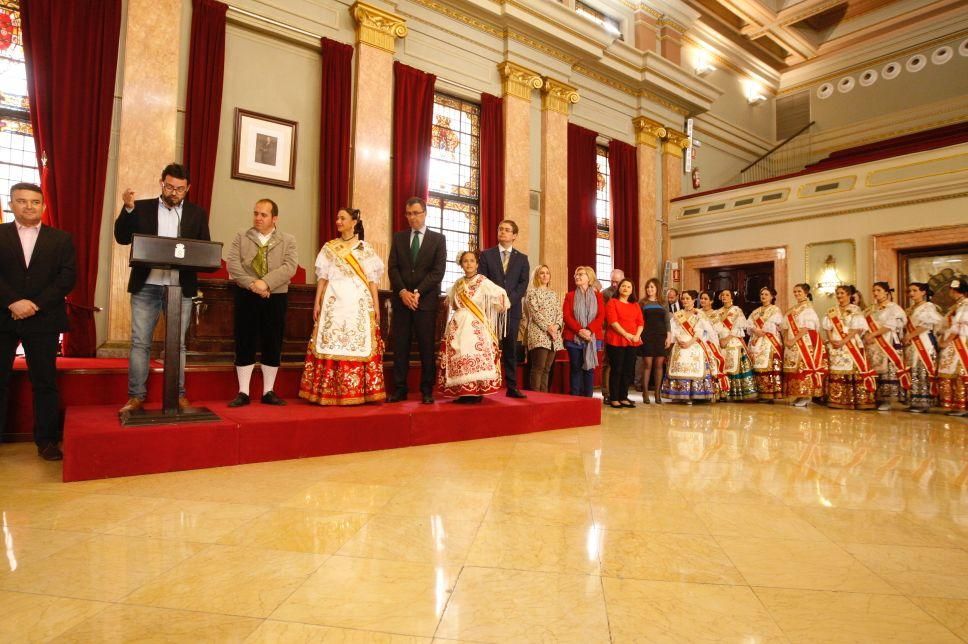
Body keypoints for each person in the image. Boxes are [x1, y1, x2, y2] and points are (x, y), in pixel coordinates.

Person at [115, 163, 211, 414]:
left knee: (177, 344)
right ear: (161, 183)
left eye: (179, 189)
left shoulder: (196, 214)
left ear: (187, 188)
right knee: (140, 343)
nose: (173, 192)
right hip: (147, 285)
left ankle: (177, 395)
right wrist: (127, 209)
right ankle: (136, 396)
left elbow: (204, 249)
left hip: (180, 287)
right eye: (169, 186)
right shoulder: (143, 207)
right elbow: (122, 237)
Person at [0, 183, 76, 460]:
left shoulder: (61, 239)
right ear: (11, 203)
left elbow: (66, 278)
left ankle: (46, 441)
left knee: (44, 382)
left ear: (43, 206)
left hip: (43, 318)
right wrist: (12, 301)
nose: (29, 206)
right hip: (3, 316)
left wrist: (35, 304)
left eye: (35, 202)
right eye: (22, 201)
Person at [301, 208, 386, 405]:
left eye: (342, 218)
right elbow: (322, 278)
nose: (338, 221)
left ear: (354, 221)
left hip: (359, 302)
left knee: (359, 342)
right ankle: (328, 391)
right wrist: (317, 302)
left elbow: (372, 281)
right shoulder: (329, 247)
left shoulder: (366, 249)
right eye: (337, 217)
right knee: (331, 340)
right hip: (334, 300)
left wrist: (376, 306)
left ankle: (358, 392)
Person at [225, 199, 298, 407]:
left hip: (276, 296)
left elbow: (290, 267)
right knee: (244, 341)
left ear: (274, 218)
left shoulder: (288, 240)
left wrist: (266, 283)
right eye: (256, 213)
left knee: (272, 341)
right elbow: (233, 265)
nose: (258, 218)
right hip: (246, 295)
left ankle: (268, 391)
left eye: (263, 215)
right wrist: (253, 285)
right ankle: (243, 392)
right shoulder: (241, 236)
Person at [387, 197, 447, 404]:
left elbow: (438, 272)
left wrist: (418, 292)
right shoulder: (399, 238)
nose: (412, 217)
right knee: (400, 346)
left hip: (426, 302)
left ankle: (427, 390)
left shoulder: (438, 239)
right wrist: (403, 292)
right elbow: (393, 268)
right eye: (408, 214)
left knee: (426, 347)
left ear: (424, 213)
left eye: (416, 213)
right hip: (402, 301)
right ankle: (400, 388)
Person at [438, 250, 510, 403]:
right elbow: (450, 301)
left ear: (477, 264)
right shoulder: (457, 284)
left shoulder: (483, 281)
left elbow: (500, 294)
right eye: (465, 261)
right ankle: (463, 391)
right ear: (461, 264)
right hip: (458, 324)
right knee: (460, 354)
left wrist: (500, 303)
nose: (469, 264)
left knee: (473, 353)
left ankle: (476, 391)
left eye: (472, 261)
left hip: (475, 324)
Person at [478, 219, 530, 398]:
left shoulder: (522, 259)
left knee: (510, 350)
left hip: (512, 310)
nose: (503, 232)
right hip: (491, 310)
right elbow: (482, 280)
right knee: (487, 348)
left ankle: (512, 387)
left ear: (514, 235)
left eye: (507, 230)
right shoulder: (486, 255)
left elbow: (523, 284)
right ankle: (484, 386)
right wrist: (495, 301)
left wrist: (508, 301)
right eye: (500, 229)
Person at [661, 290, 723, 403]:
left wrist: (690, 342)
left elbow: (700, 331)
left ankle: (694, 394)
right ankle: (678, 393)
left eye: (687, 298)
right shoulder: (677, 314)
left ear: (693, 300)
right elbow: (673, 330)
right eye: (683, 298)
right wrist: (678, 339)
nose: (685, 301)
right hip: (680, 343)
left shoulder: (699, 314)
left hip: (694, 343)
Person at [823, 284, 876, 410]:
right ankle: (837, 399)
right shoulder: (831, 310)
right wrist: (831, 340)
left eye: (842, 293)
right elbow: (827, 328)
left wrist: (844, 341)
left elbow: (856, 329)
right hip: (835, 344)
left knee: (851, 371)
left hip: (850, 343)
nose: (839, 296)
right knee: (836, 371)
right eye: (838, 293)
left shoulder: (855, 309)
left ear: (848, 295)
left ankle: (853, 400)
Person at [862, 282, 908, 412]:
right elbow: (862, 323)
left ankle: (887, 399)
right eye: (874, 290)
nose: (876, 293)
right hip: (872, 344)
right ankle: (874, 397)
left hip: (887, 341)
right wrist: (866, 334)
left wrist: (873, 334)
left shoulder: (894, 308)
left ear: (886, 292)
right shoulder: (871, 309)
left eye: (878, 290)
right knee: (874, 369)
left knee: (887, 371)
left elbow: (891, 325)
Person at [780, 284, 826, 407]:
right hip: (790, 342)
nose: (796, 294)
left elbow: (807, 328)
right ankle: (797, 394)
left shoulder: (808, 308)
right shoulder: (792, 309)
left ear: (806, 293)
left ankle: (805, 395)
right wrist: (786, 340)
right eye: (795, 292)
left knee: (802, 369)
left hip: (802, 342)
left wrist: (794, 339)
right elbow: (784, 327)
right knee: (793, 370)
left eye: (799, 291)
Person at [562, 266, 605, 397]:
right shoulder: (570, 296)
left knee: (589, 369)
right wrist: (580, 330)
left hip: (593, 337)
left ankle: (588, 399)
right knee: (576, 368)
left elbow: (601, 315)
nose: (577, 276)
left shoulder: (598, 296)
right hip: (573, 337)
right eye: (576, 274)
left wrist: (589, 330)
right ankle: (575, 399)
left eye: (581, 274)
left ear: (589, 278)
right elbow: (566, 316)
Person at [901, 282, 943, 413]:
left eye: (915, 290)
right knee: (913, 370)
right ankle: (914, 400)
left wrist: (910, 336)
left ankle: (924, 402)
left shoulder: (928, 307)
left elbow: (926, 325)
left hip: (923, 342)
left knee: (922, 369)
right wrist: (906, 337)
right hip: (912, 343)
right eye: (910, 291)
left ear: (923, 292)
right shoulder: (910, 308)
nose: (911, 293)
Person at [604, 278, 643, 408]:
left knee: (628, 370)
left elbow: (640, 322)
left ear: (632, 291)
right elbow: (613, 322)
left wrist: (636, 336)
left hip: (633, 341)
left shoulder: (635, 305)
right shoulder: (612, 302)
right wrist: (627, 335)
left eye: (628, 287)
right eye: (623, 286)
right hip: (616, 340)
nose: (625, 288)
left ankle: (623, 396)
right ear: (619, 288)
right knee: (617, 369)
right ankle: (614, 398)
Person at [524, 264, 563, 392]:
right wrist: (549, 328)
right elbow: (535, 314)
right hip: (539, 334)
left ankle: (545, 396)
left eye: (547, 273)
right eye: (542, 273)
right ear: (536, 276)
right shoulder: (531, 293)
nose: (545, 275)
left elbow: (559, 313)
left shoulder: (553, 294)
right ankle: (536, 397)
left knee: (547, 369)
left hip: (554, 336)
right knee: (538, 368)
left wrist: (556, 327)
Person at [716, 289, 758, 401]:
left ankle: (736, 393)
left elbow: (738, 328)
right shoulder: (717, 312)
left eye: (727, 295)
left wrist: (727, 338)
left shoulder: (736, 310)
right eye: (723, 295)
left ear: (731, 297)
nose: (724, 297)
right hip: (721, 343)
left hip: (733, 341)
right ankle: (724, 392)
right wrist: (721, 340)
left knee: (735, 366)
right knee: (723, 367)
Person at [937, 277, 968, 417]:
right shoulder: (957, 306)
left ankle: (962, 405)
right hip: (954, 343)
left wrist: (946, 341)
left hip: (960, 343)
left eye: (952, 289)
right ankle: (957, 404)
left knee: (960, 373)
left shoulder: (965, 305)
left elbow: (959, 326)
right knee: (952, 373)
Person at [748, 286, 784, 401]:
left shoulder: (775, 310)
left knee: (767, 365)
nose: (763, 296)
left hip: (769, 341)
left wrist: (761, 330)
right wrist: (755, 330)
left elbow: (774, 325)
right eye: (762, 294)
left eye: (766, 294)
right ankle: (758, 392)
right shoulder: (756, 311)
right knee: (755, 365)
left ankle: (769, 393)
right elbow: (749, 324)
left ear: (772, 297)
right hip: (756, 340)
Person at [638, 277, 671, 404]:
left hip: (661, 336)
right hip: (646, 335)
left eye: (652, 287)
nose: (649, 289)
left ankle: (657, 394)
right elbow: (639, 321)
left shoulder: (663, 303)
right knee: (647, 365)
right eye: (647, 287)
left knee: (659, 366)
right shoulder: (643, 303)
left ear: (657, 288)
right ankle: (645, 393)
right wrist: (639, 335)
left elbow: (667, 321)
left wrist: (669, 337)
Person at [599, 268, 625, 403]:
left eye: (617, 282)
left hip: (624, 333)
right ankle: (607, 392)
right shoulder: (605, 294)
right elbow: (602, 316)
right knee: (607, 363)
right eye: (612, 281)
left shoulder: (627, 291)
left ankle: (620, 393)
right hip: (609, 331)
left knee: (621, 363)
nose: (614, 284)